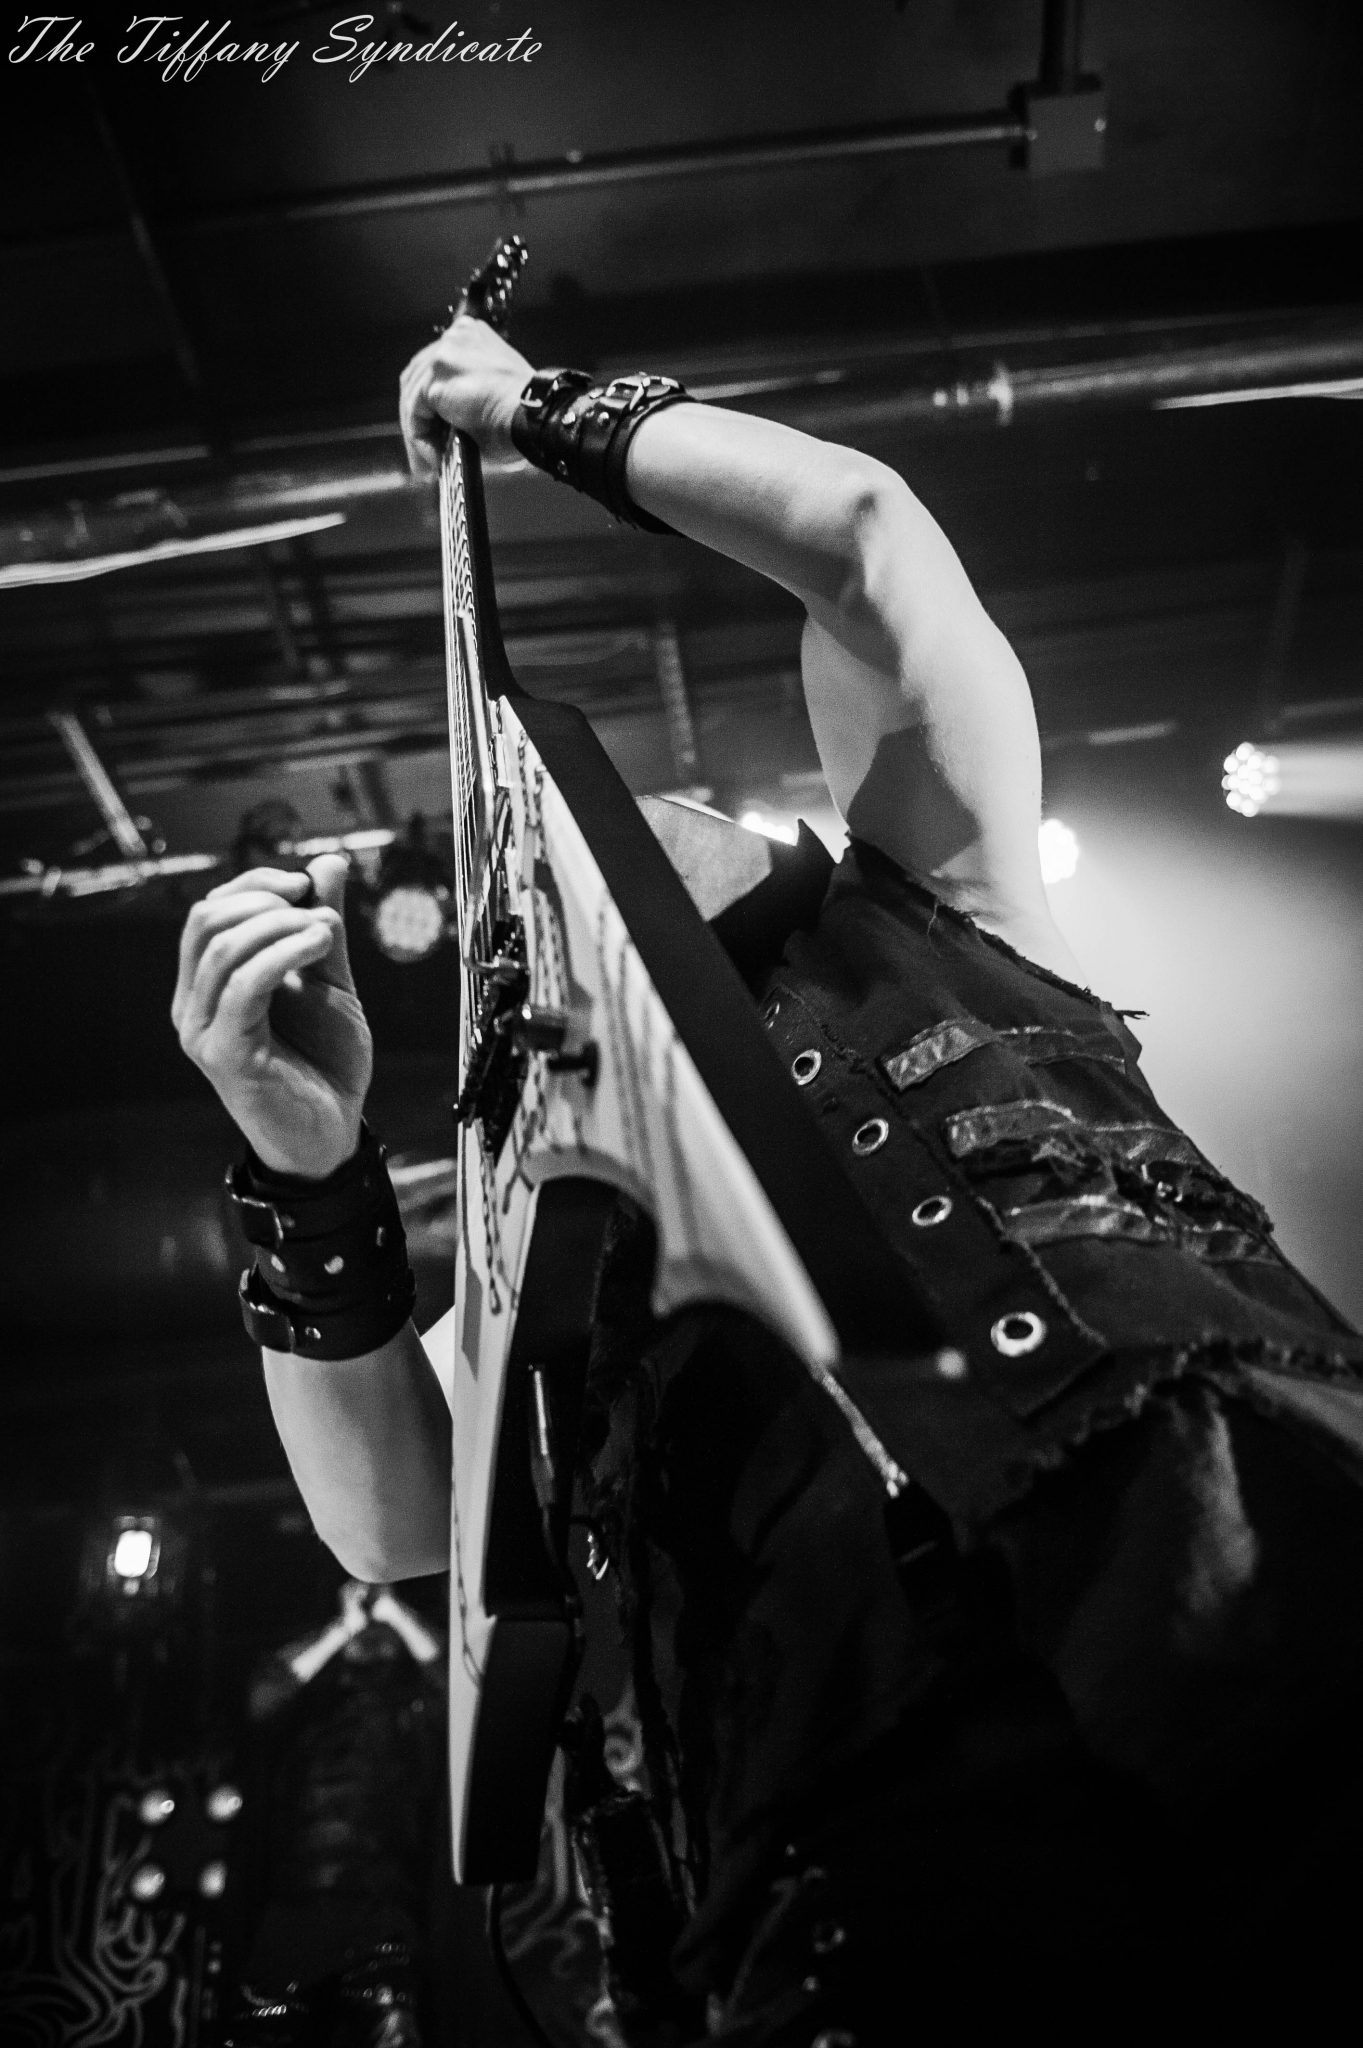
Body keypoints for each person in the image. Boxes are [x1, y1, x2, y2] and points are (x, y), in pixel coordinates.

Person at [175, 313, 1363, 2039]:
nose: (566, 848)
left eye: (639, 807)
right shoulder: (546, 1211)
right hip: (836, 1836)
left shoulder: (933, 904)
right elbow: (390, 1519)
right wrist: (306, 1166)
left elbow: (869, 542)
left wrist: (529, 408)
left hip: (1225, 1576)